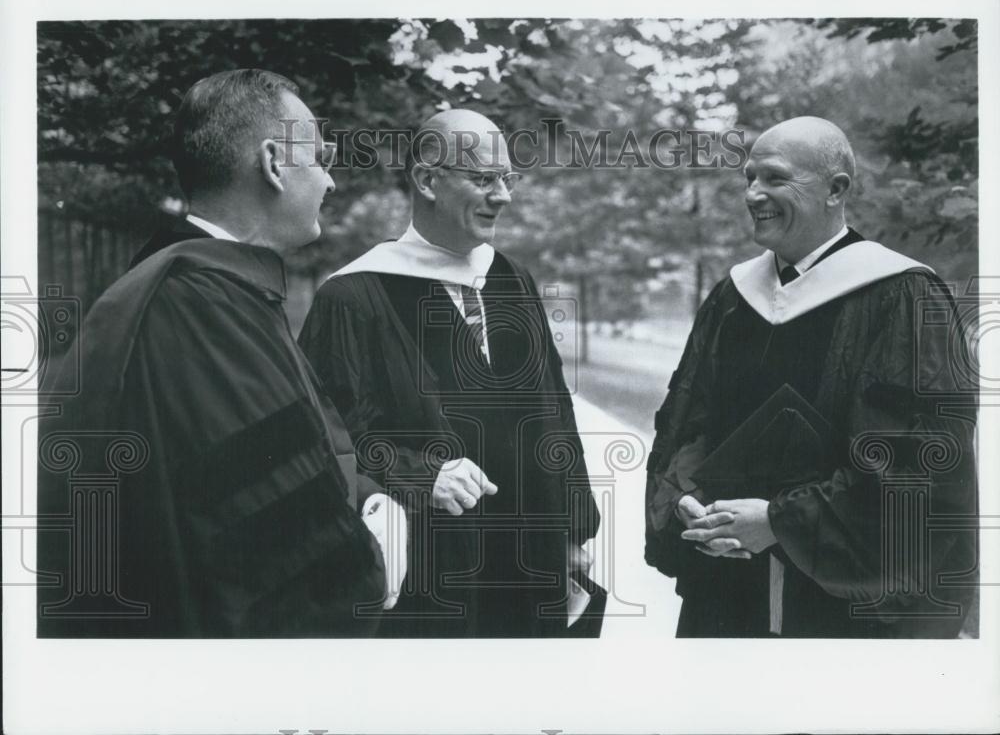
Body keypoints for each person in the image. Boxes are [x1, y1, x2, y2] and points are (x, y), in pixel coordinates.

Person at [37, 69, 403, 637]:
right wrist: (377, 555)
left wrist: (371, 496)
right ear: (274, 164)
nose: (331, 180)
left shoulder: (205, 288)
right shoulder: (199, 305)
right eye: (321, 156)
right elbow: (281, 558)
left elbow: (294, 450)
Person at [644, 116, 978, 638]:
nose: (754, 193)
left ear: (835, 189)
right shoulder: (731, 298)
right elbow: (687, 423)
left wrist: (779, 523)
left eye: (774, 179)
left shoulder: (902, 295)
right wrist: (687, 501)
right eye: (749, 178)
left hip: (840, 609)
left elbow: (917, 462)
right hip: (728, 590)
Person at [298, 109, 602, 637]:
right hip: (430, 571)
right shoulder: (353, 296)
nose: (504, 195)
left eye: (508, 179)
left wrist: (575, 530)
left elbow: (554, 407)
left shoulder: (512, 280)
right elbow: (328, 444)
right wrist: (419, 472)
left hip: (531, 562)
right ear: (427, 179)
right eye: (484, 179)